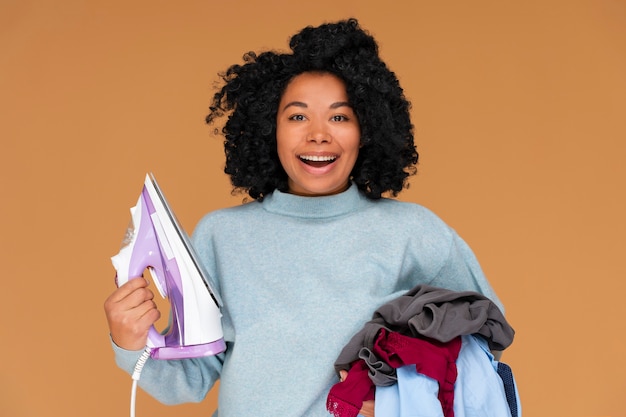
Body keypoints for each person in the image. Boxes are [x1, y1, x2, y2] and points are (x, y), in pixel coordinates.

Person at [104, 18, 504, 417]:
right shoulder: (221, 236)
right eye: (297, 117)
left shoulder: (413, 232)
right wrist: (129, 341)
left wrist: (401, 400)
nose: (317, 134)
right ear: (269, 130)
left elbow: (482, 345)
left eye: (339, 117)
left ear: (366, 130)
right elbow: (189, 379)